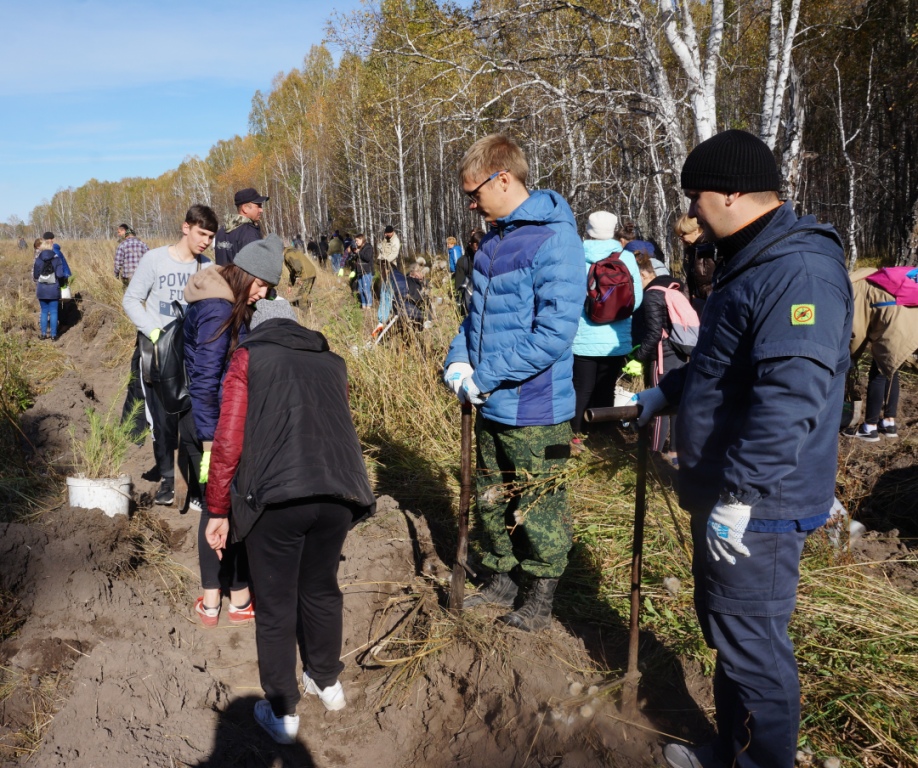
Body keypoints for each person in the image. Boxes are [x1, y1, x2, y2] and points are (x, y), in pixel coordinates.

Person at [631, 130, 853, 768]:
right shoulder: (752, 260)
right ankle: (730, 752)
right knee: (731, 634)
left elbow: (791, 398)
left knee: (753, 648)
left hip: (762, 502)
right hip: (734, 488)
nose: (692, 210)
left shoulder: (799, 272)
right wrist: (667, 392)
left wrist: (740, 494)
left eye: (696, 196)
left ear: (730, 192)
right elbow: (724, 363)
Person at [203, 304, 374, 744]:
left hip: (278, 498)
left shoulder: (249, 357)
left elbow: (228, 440)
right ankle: (327, 683)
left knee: (275, 604)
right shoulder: (332, 362)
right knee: (320, 588)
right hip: (338, 492)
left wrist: (218, 508)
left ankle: (282, 712)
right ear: (296, 326)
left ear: (260, 329)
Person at [443, 133, 583, 632]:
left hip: (536, 409)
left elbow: (554, 334)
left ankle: (541, 594)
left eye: (473, 192)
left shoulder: (555, 240)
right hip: (490, 403)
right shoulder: (494, 241)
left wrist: (487, 374)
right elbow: (473, 318)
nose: (471, 203)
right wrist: (457, 362)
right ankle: (500, 578)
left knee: (540, 502)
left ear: (503, 178)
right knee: (491, 494)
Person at [183, 234, 284, 628]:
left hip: (214, 422)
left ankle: (213, 603)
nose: (262, 293)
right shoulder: (217, 308)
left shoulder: (218, 297)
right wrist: (213, 440)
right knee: (225, 505)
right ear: (244, 275)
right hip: (213, 426)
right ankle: (235, 599)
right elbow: (207, 380)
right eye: (261, 284)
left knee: (216, 504)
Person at [123, 205, 216, 505]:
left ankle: (197, 483)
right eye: (202, 233)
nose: (206, 241)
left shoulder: (206, 266)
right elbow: (132, 299)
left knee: (192, 418)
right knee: (161, 419)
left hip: (190, 355)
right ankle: (167, 479)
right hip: (156, 354)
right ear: (185, 227)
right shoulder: (155, 259)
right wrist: (153, 333)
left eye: (211, 236)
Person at [569, 210, 643, 453]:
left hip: (583, 337)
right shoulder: (626, 257)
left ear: (588, 230)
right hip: (615, 336)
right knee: (606, 385)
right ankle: (602, 434)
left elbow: (570, 296)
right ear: (613, 230)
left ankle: (576, 435)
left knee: (581, 387)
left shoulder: (576, 255)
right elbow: (637, 299)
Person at [844, 267, 918, 441]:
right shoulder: (877, 277)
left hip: (900, 327)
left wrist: (852, 356)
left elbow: (858, 330)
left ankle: (869, 428)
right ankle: (889, 422)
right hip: (912, 322)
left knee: (879, 373)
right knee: (891, 367)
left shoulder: (857, 288)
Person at [630, 252, 685, 465]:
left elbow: (654, 333)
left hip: (662, 355)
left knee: (658, 403)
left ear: (644, 274)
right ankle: (674, 451)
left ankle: (653, 453)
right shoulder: (674, 287)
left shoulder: (652, 294)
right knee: (675, 402)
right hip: (679, 352)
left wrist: (638, 356)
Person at [214, 188, 268, 266]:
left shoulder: (222, 231)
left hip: (220, 278)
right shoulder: (249, 233)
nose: (261, 210)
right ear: (245, 208)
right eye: (258, 206)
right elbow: (256, 268)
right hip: (243, 278)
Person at [676, 213, 715, 308]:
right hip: (700, 303)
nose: (682, 239)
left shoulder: (712, 246)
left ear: (696, 230)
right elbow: (690, 281)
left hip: (713, 303)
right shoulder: (693, 250)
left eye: (683, 234)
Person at [33, 237, 68, 340]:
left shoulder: (38, 260)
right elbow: (60, 275)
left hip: (41, 290)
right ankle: (53, 335)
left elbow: (35, 276)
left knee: (44, 311)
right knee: (53, 312)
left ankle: (43, 334)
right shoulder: (56, 259)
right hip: (54, 289)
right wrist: (61, 286)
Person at [453, 230, 483, 315]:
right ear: (471, 244)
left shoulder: (491, 259)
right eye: (475, 243)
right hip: (470, 307)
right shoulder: (463, 262)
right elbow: (459, 288)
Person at [353, 233, 375, 309]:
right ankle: (363, 304)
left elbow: (367, 258)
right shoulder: (359, 248)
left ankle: (369, 305)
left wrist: (359, 252)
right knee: (361, 290)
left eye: (357, 240)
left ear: (362, 239)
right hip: (359, 272)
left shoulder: (368, 247)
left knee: (366, 289)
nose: (356, 242)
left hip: (367, 271)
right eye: (355, 241)